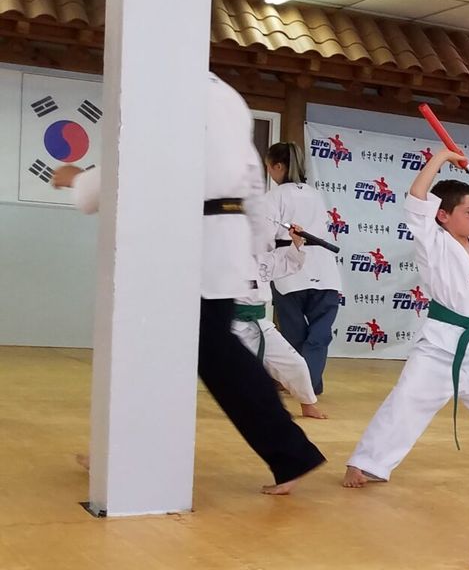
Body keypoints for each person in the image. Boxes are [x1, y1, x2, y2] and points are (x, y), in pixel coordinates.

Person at [55, 73, 325, 494]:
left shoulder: (163, 84)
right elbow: (250, 176)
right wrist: (250, 244)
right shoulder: (226, 95)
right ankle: (117, 450)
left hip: (186, 242)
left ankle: (290, 453)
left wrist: (80, 182)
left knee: (202, 354)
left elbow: (136, 160)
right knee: (174, 352)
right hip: (220, 237)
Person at [342, 147, 469, 486]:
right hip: (440, 346)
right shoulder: (432, 242)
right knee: (407, 400)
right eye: (468, 211)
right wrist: (441, 158)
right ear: (443, 215)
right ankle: (364, 463)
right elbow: (417, 198)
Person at [264, 142, 343, 400]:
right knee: (319, 334)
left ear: (278, 166)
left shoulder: (274, 196)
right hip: (325, 270)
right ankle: (309, 384)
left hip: (289, 268)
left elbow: (264, 234)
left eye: (269, 168)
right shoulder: (315, 194)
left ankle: (303, 385)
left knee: (294, 333)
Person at [235, 225, 325, 419]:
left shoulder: (265, 259)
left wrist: (296, 242)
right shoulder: (222, 259)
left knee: (296, 364)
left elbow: (290, 262)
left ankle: (308, 404)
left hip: (261, 325)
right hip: (231, 327)